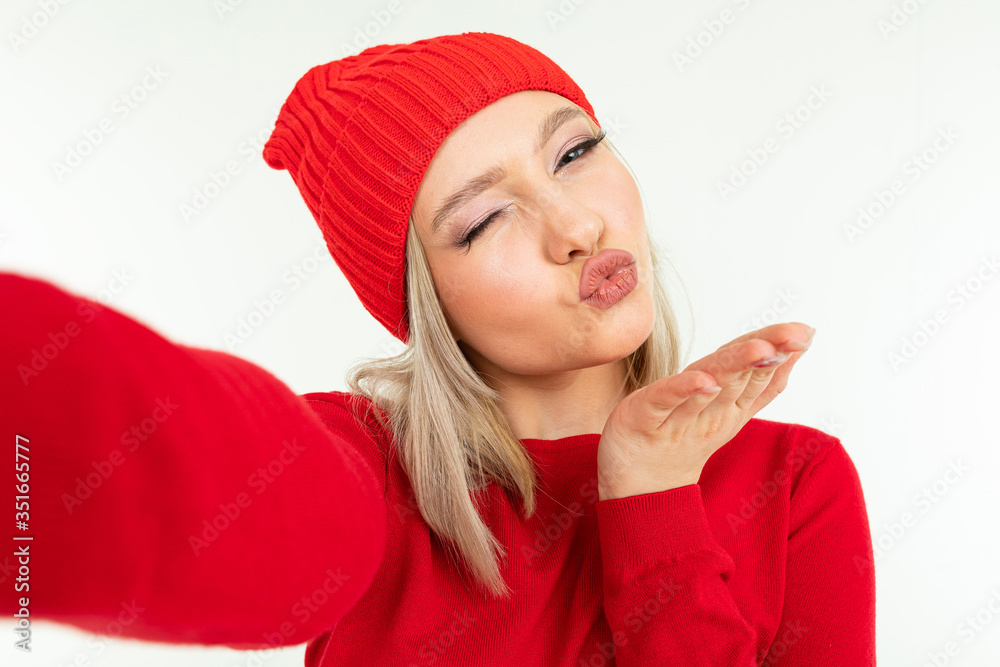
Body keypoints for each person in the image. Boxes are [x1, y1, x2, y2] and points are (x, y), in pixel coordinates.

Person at [0, 31, 875, 666]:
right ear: (427, 301)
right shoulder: (367, 473)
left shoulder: (795, 482)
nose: (576, 225)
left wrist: (651, 498)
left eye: (575, 151)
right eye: (485, 219)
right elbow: (144, 460)